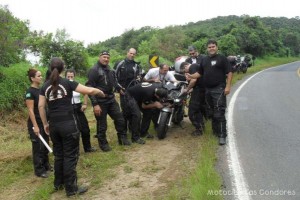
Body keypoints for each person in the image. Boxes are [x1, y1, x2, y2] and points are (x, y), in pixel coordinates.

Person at [38, 57, 105, 197]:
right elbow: (88, 90)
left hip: (54, 125)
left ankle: (58, 183)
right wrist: (99, 91)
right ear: (63, 68)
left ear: (51, 68)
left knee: (59, 155)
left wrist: (45, 124)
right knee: (70, 156)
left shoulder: (44, 86)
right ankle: (71, 189)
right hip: (68, 124)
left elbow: (40, 106)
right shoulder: (68, 82)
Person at [86, 50, 137, 153]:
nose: (106, 59)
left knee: (120, 119)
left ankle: (122, 138)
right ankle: (103, 143)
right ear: (99, 57)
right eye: (104, 57)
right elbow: (89, 87)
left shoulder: (110, 69)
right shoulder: (94, 70)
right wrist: (95, 104)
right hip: (100, 101)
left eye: (108, 57)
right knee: (102, 124)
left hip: (111, 99)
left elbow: (114, 82)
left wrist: (119, 89)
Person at [187, 39, 233, 145]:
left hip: (219, 88)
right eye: (209, 47)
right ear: (207, 49)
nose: (211, 48)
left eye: (213, 46)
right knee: (211, 112)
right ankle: (215, 131)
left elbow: (229, 72)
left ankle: (222, 135)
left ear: (217, 47)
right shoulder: (204, 60)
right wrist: (191, 76)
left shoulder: (222, 58)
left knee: (219, 112)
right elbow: (199, 73)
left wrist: (228, 86)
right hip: (207, 90)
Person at [25, 68, 51, 178]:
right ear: (32, 78)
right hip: (35, 123)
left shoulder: (40, 90)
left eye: (41, 75)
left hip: (43, 122)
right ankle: (39, 170)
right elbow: (30, 110)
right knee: (38, 147)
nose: (41, 77)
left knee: (45, 144)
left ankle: (46, 165)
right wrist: (35, 126)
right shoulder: (29, 92)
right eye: (39, 76)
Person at [114, 48, 143, 141]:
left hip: (133, 92)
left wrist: (139, 78)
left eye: (134, 54)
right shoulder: (120, 63)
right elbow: (113, 77)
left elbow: (139, 78)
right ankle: (124, 134)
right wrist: (119, 88)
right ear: (127, 53)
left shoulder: (136, 65)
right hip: (123, 91)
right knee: (126, 113)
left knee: (136, 114)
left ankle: (135, 135)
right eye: (130, 53)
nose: (132, 55)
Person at [65, 69, 96, 153]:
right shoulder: (63, 86)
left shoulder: (77, 85)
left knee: (85, 128)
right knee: (73, 131)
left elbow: (86, 92)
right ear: (65, 76)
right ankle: (74, 150)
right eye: (68, 76)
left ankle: (88, 148)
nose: (70, 78)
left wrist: (85, 104)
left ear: (74, 76)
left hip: (78, 107)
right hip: (68, 109)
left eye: (72, 76)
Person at [142, 64, 177, 137]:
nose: (166, 72)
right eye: (164, 70)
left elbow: (174, 81)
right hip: (151, 90)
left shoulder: (168, 73)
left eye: (167, 70)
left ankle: (158, 124)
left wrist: (175, 84)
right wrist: (153, 80)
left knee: (160, 105)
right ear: (160, 69)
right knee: (152, 109)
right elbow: (144, 79)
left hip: (161, 90)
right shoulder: (152, 71)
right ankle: (153, 125)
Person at [181, 62, 206, 136]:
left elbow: (194, 80)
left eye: (184, 71)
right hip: (203, 90)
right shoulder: (198, 66)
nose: (186, 72)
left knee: (193, 111)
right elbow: (198, 83)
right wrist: (190, 90)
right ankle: (201, 126)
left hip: (200, 91)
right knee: (199, 109)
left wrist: (187, 89)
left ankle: (199, 129)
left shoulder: (193, 66)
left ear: (185, 66)